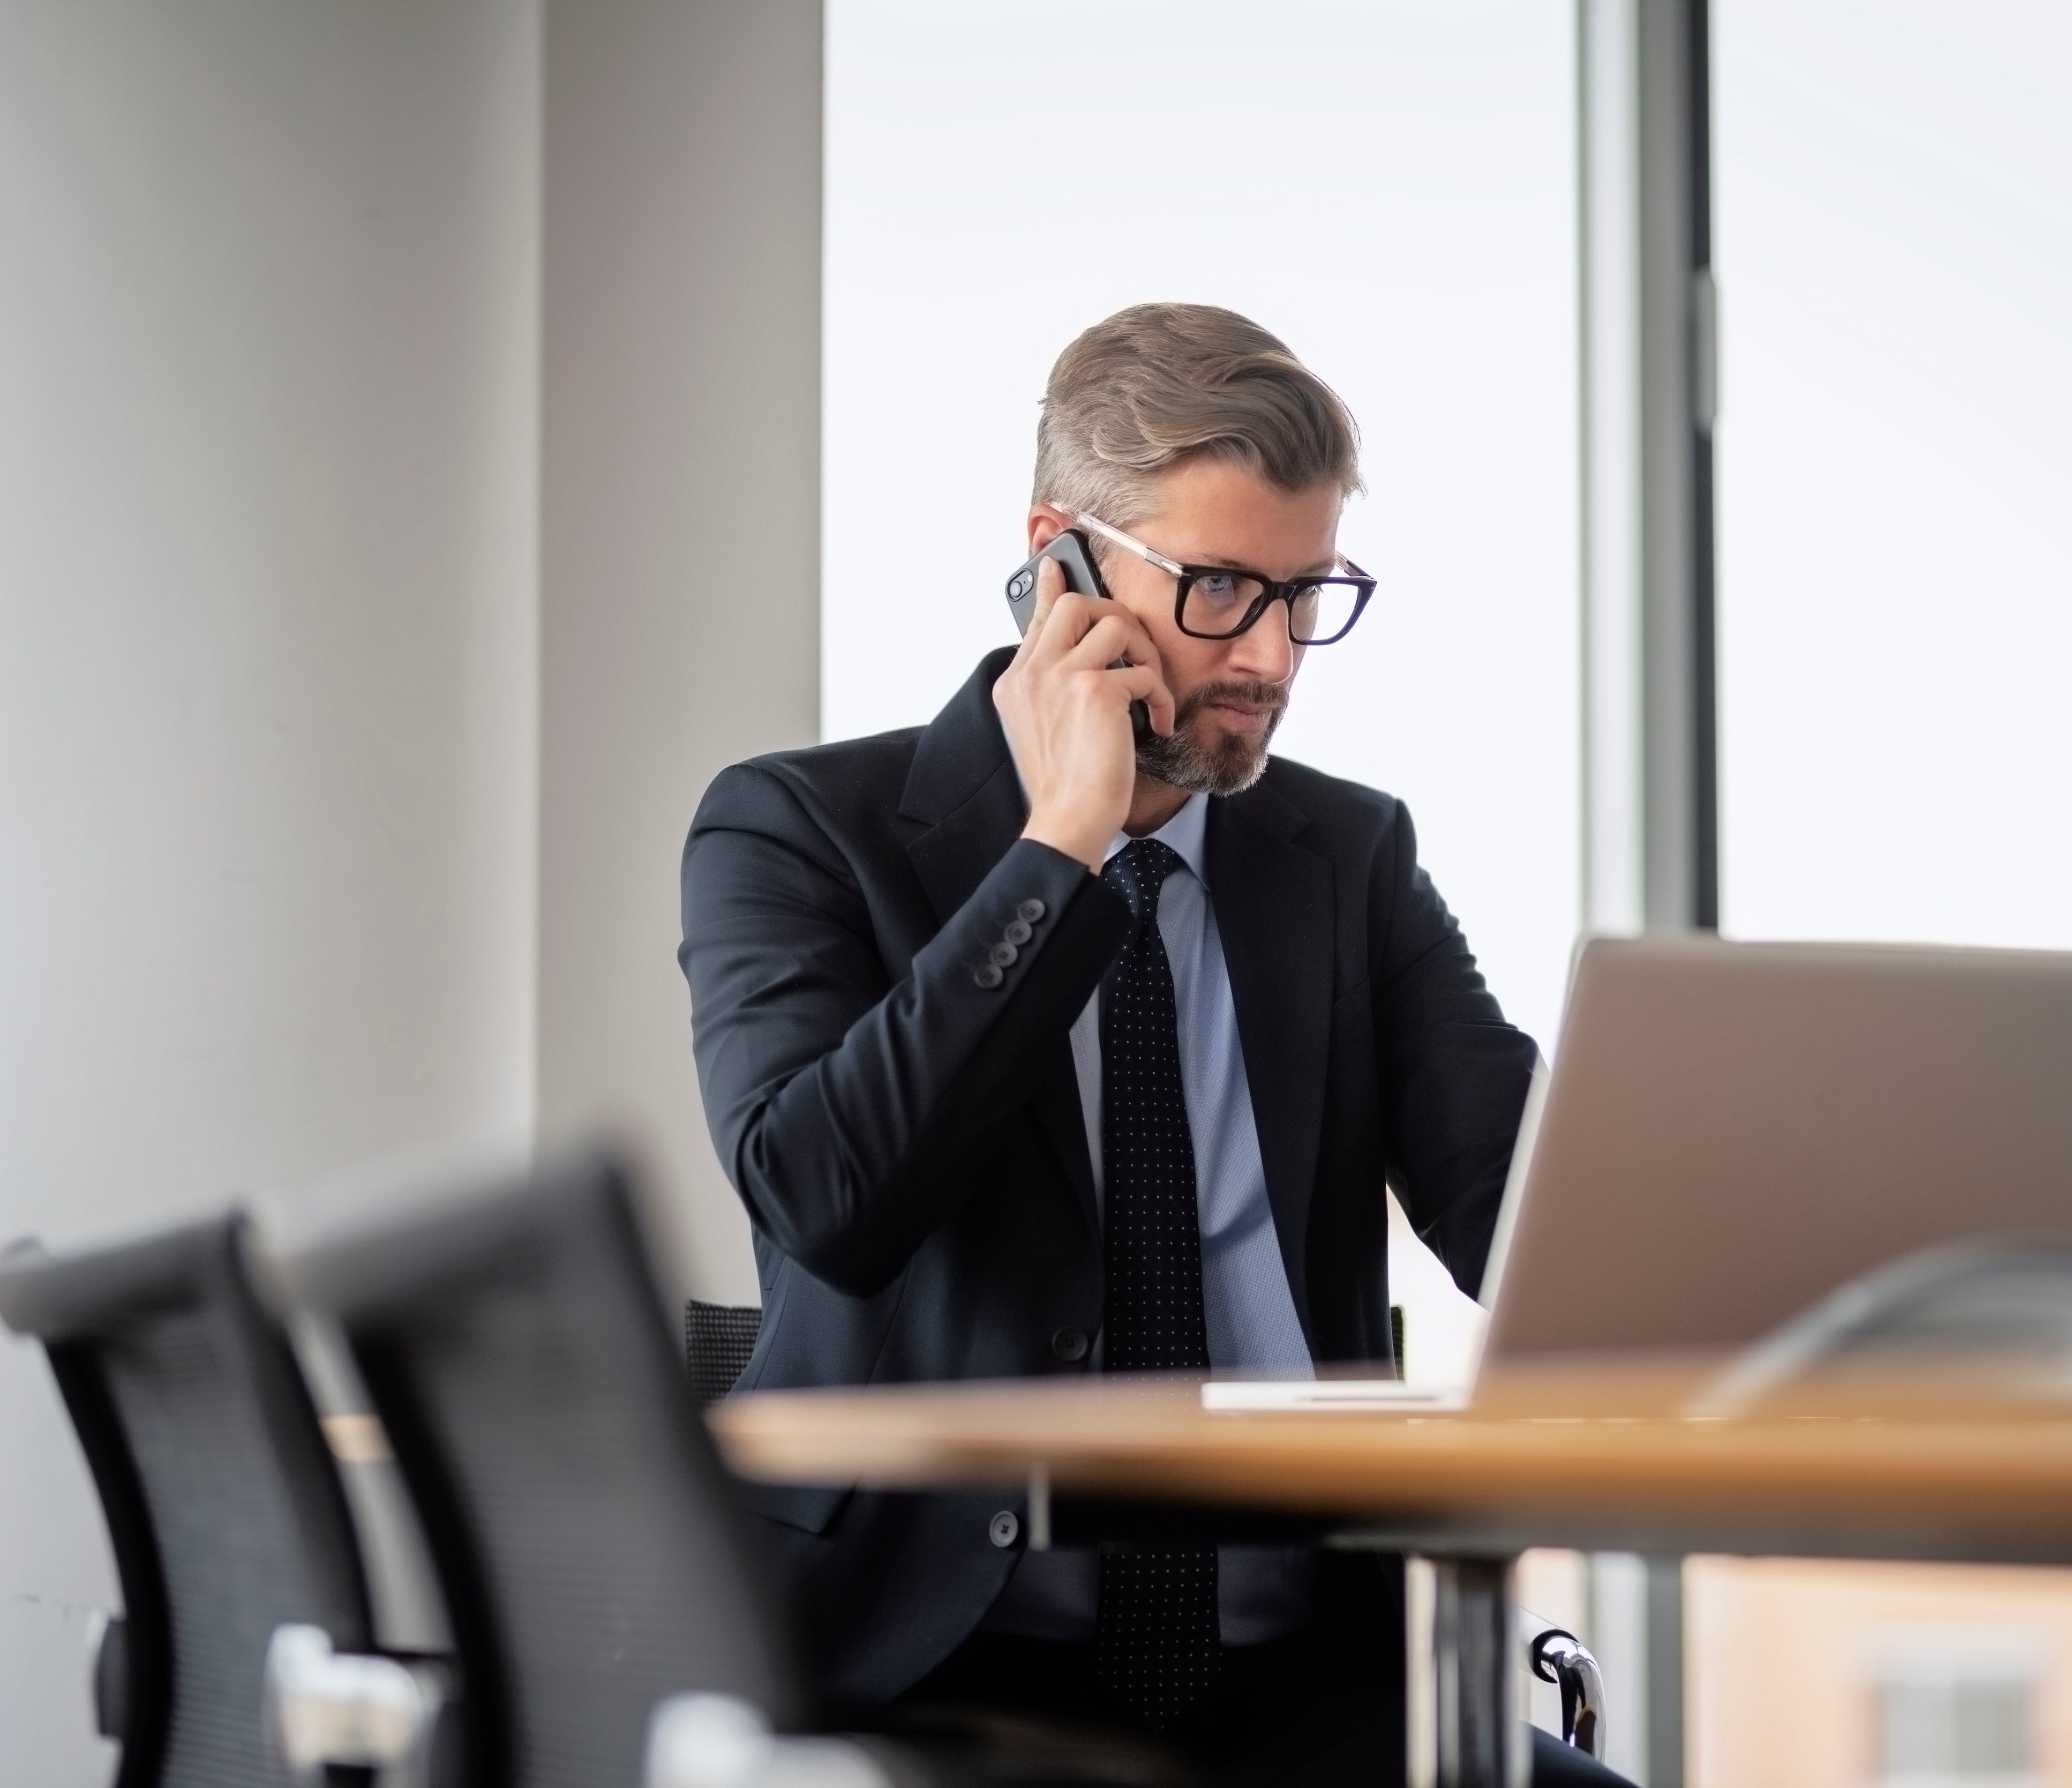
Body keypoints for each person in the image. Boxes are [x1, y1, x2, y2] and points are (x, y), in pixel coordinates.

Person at [681, 302, 1622, 1785]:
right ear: (1060, 553)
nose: (1268, 656)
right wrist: (1058, 850)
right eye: (1221, 588)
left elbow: (1529, 1216)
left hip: (1304, 1681)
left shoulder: (1346, 856)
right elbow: (828, 1205)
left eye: (1306, 594)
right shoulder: (797, 830)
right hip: (934, 1670)